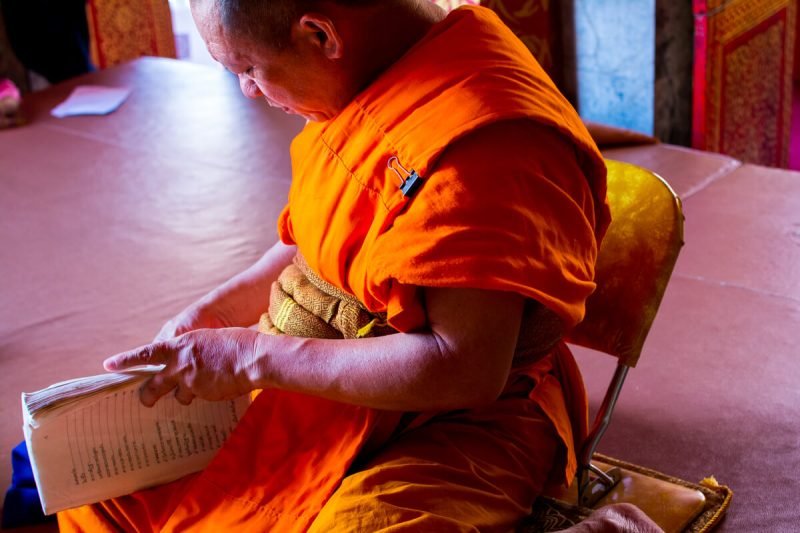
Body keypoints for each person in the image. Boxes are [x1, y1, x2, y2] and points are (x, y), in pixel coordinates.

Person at [58, 1, 660, 531]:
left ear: (321, 35)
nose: (248, 91)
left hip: (460, 415)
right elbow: (309, 247)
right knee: (103, 496)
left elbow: (464, 367)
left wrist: (249, 356)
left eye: (247, 68)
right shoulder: (374, 72)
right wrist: (214, 313)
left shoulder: (486, 146)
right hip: (321, 372)